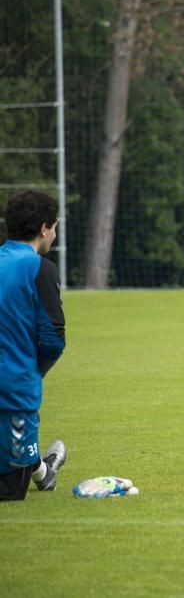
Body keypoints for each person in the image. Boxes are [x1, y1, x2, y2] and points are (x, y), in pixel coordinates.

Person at [0, 191, 67, 501]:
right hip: (13, 394)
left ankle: (43, 468)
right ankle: (43, 468)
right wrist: (31, 373)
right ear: (44, 228)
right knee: (10, 491)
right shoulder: (40, 268)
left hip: (13, 390)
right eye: (54, 227)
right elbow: (53, 340)